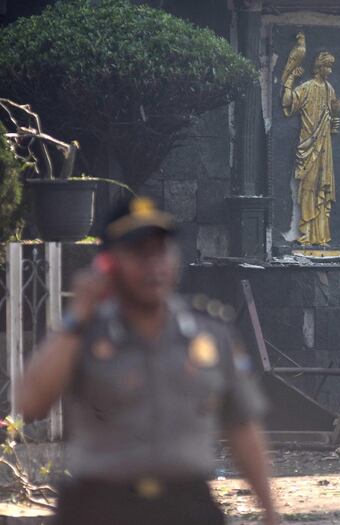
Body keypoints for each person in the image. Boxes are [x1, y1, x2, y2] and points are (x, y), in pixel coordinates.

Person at [18, 196, 280, 525]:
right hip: (99, 507)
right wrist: (77, 316)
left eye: (161, 251)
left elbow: (242, 427)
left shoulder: (211, 336)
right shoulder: (84, 335)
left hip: (187, 506)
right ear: (109, 263)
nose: (153, 265)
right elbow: (30, 403)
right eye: (138, 253)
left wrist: (270, 512)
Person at [282, 50, 340, 246]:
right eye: (327, 66)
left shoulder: (329, 89)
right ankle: (306, 232)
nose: (330, 71)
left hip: (325, 146)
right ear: (319, 67)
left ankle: (321, 235)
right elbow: (288, 101)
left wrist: (333, 122)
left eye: (331, 67)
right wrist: (290, 79)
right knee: (308, 187)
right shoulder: (307, 87)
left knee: (322, 188)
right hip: (308, 144)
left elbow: (331, 115)